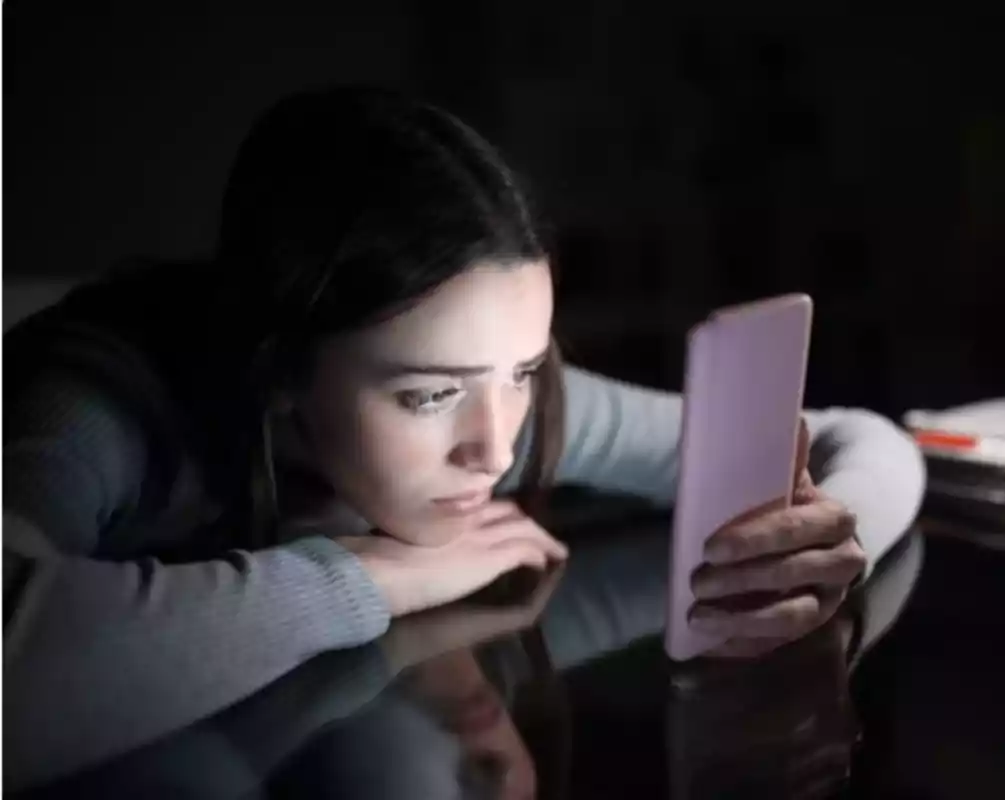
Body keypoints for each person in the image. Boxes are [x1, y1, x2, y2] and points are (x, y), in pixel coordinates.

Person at [2, 83, 925, 789]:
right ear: (281, 373)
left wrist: (824, 526)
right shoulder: (97, 402)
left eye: (522, 371)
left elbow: (858, 437)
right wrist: (371, 576)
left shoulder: (499, 415)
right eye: (429, 396)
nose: (493, 447)